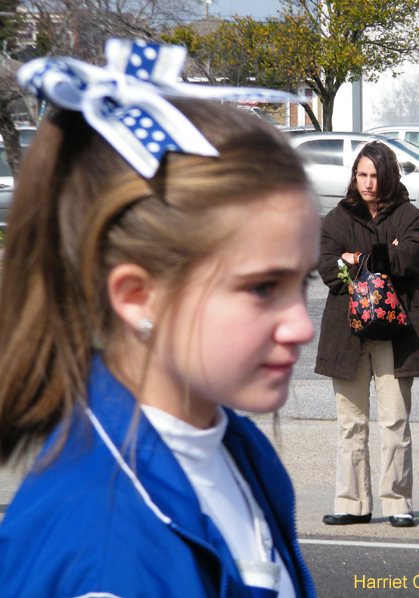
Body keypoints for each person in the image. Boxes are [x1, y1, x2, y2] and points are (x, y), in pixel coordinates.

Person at [0, 40, 317, 597]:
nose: (301, 326)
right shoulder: (104, 552)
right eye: (263, 287)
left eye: (304, 281)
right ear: (137, 296)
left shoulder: (235, 448)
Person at [316, 141, 419, 528]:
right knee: (350, 423)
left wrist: (356, 258)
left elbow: (413, 260)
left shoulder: (408, 214)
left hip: (396, 331)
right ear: (353, 177)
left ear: (388, 176)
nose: (368, 183)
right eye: (361, 175)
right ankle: (351, 503)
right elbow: (328, 271)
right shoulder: (335, 219)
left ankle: (397, 503)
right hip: (348, 332)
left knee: (395, 420)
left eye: (374, 175)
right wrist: (379, 256)